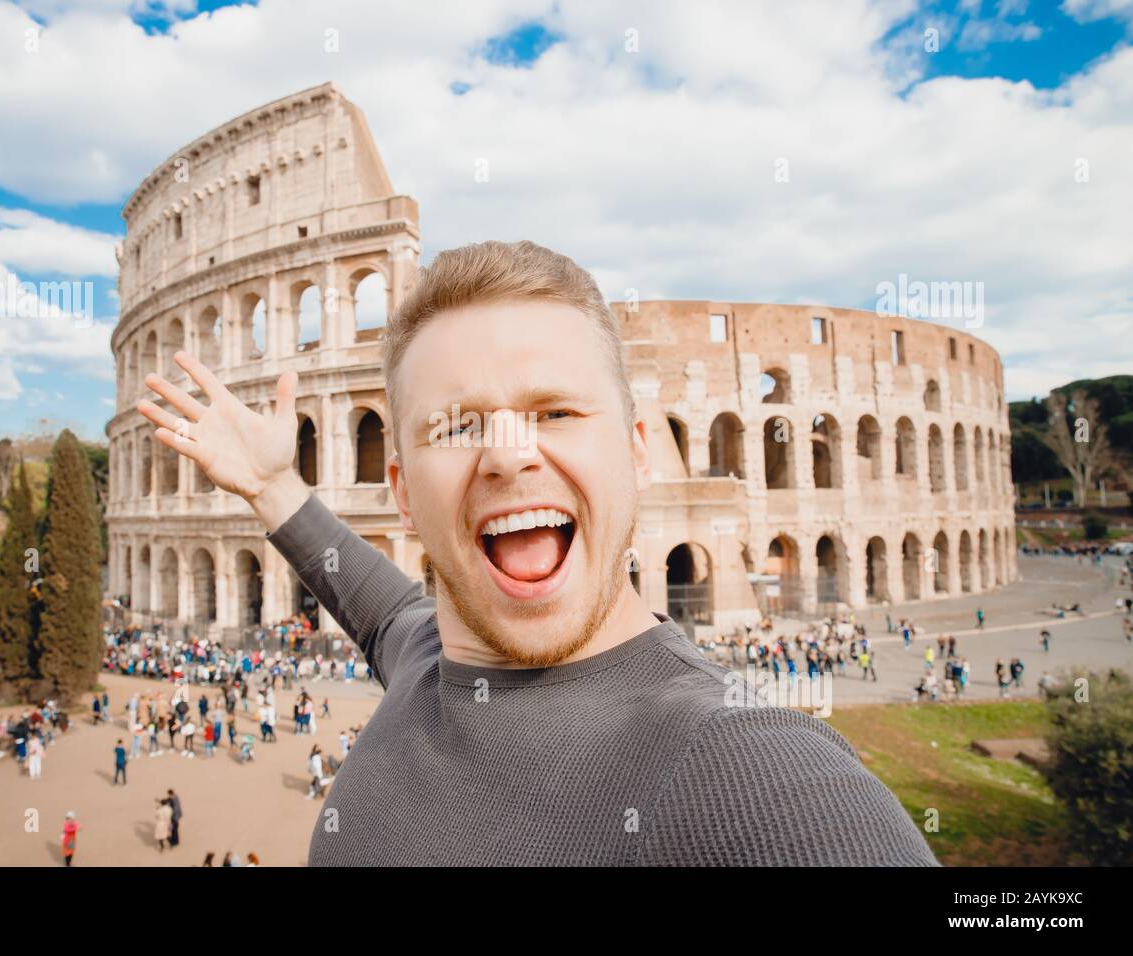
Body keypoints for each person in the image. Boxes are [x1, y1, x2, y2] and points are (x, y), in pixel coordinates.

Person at [136, 239, 937, 866]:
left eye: (553, 412)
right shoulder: (420, 655)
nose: (508, 455)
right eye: (455, 427)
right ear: (405, 494)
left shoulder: (744, 769)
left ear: (638, 454)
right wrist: (275, 487)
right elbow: (369, 598)